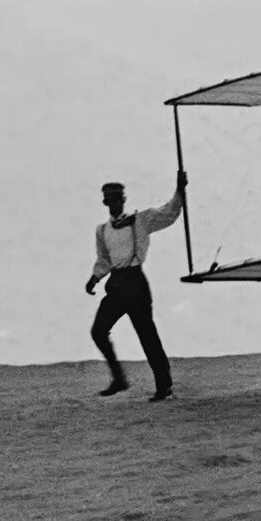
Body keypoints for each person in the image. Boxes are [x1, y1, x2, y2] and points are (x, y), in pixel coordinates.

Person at [86, 171, 185, 400]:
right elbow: (104, 260)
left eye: (118, 199)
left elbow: (169, 212)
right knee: (98, 331)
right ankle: (119, 379)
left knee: (146, 335)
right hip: (116, 284)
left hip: (136, 283)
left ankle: (164, 385)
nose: (114, 203)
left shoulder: (141, 220)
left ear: (124, 200)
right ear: (105, 202)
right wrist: (94, 278)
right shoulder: (102, 231)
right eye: (110, 200)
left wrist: (180, 190)